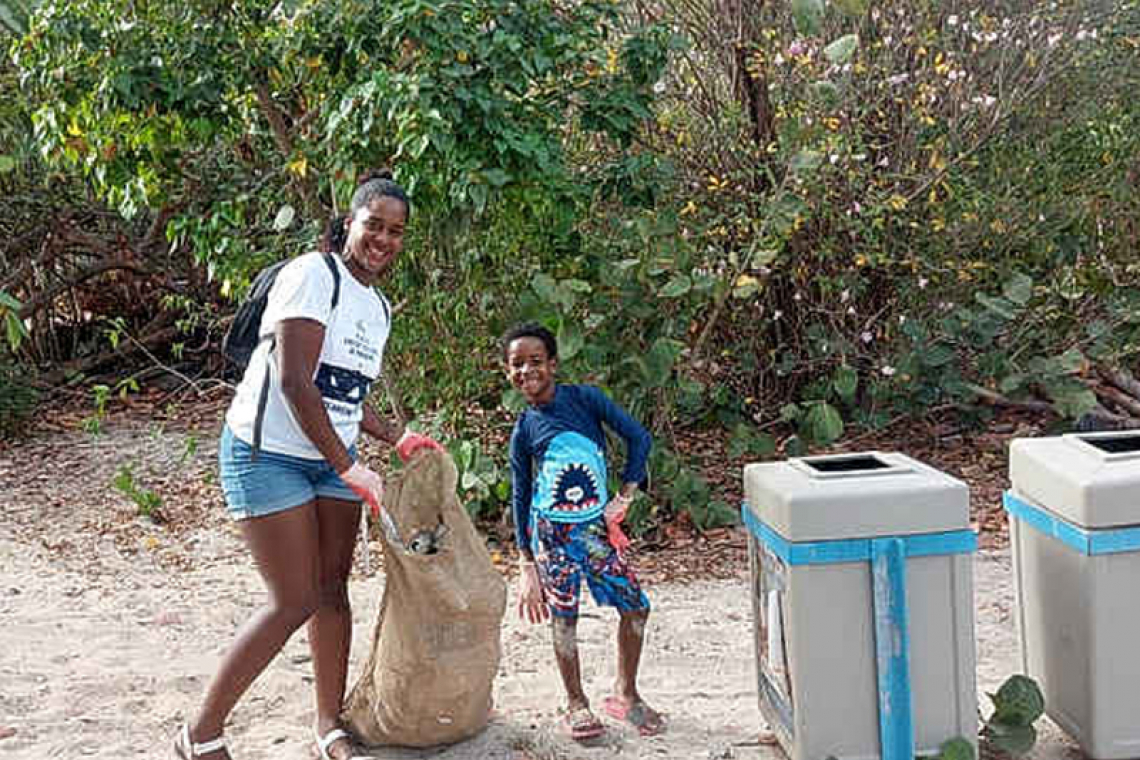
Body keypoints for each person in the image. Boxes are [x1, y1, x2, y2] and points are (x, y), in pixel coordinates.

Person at [175, 170, 442, 760]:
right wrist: (349, 465)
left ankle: (328, 725)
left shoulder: (378, 306)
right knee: (292, 599)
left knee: (331, 591)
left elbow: (342, 391)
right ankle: (200, 734)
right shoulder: (310, 276)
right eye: (374, 225)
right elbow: (296, 381)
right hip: (265, 455)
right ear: (350, 223)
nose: (384, 239)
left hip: (330, 462)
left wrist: (395, 437)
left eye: (396, 232)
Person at [502, 322, 665, 741]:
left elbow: (639, 438)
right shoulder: (523, 429)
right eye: (516, 365)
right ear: (508, 373)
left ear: (553, 364)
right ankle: (576, 703)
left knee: (636, 606)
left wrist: (626, 495)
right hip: (550, 538)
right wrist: (526, 564)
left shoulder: (585, 400)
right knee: (564, 617)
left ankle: (625, 694)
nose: (526, 371)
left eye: (535, 361)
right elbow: (520, 496)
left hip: (593, 532)